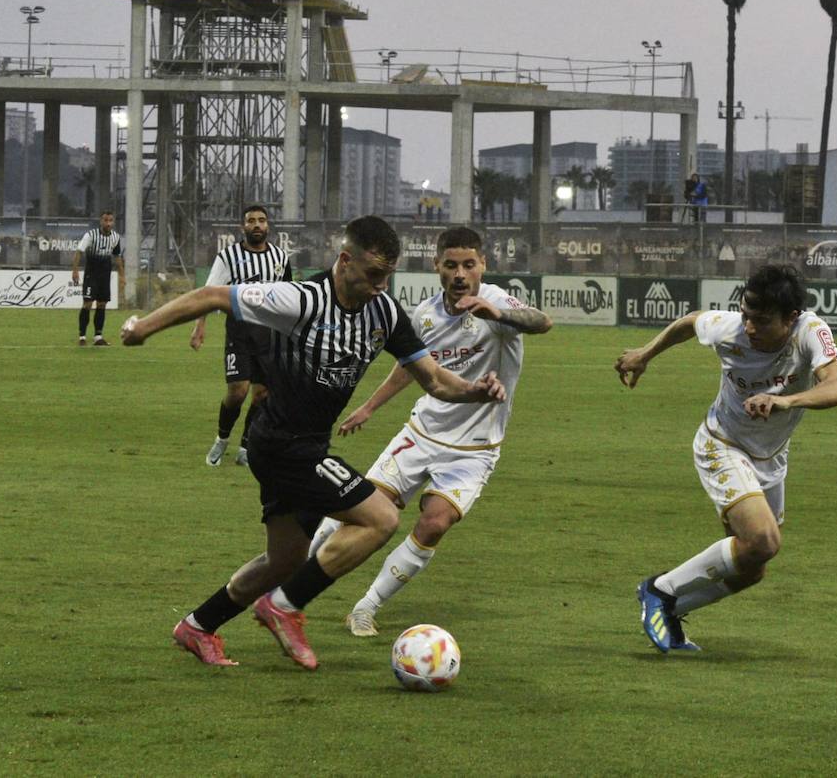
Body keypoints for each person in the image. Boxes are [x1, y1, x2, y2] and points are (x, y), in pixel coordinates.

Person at [119, 216, 506, 670]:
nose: (381, 286)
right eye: (372, 275)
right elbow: (212, 295)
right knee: (380, 518)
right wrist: (143, 327)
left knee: (283, 560)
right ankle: (284, 607)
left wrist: (474, 389)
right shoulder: (301, 298)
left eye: (388, 276)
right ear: (345, 261)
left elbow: (435, 380)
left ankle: (198, 626)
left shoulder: (383, 313)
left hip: (305, 447)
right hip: (281, 444)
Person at [308, 227, 553, 637]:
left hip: (475, 449)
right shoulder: (425, 314)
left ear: (483, 266)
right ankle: (292, 574)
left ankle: (366, 607)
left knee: (434, 524)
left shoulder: (495, 302)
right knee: (358, 508)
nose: (460, 274)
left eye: (469, 265)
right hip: (421, 435)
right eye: (451, 265)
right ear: (437, 265)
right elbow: (411, 366)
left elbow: (542, 322)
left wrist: (499, 315)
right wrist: (369, 406)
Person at [614, 264, 837, 653]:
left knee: (752, 568)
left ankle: (672, 610)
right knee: (763, 539)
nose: (750, 327)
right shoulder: (730, 328)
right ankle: (659, 590)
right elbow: (690, 323)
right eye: (746, 315)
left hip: (770, 457)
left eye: (761, 320)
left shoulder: (810, 331)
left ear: (791, 318)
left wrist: (783, 401)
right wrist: (645, 353)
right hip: (722, 443)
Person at [189, 205, 292, 467]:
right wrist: (200, 325)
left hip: (270, 335)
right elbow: (209, 292)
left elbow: (290, 296)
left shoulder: (281, 258)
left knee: (262, 394)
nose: (257, 225)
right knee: (238, 390)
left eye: (261, 220)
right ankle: (222, 439)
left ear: (268, 226)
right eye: (251, 221)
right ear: (242, 227)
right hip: (240, 330)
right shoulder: (228, 257)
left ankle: (246, 447)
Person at [71, 210, 124, 346]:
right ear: (101, 221)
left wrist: (122, 276)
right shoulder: (91, 235)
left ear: (113, 222)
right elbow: (79, 252)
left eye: (110, 220)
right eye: (105, 220)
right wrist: (75, 270)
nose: (108, 223)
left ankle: (98, 337)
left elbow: (117, 257)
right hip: (91, 273)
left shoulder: (115, 238)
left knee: (102, 304)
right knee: (88, 303)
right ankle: (82, 336)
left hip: (105, 274)